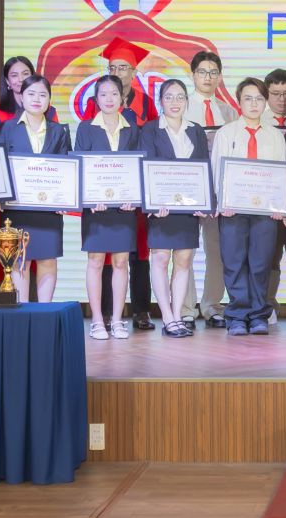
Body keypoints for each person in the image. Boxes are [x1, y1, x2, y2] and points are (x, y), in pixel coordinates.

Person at [211, 77, 286, 336]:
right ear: (239, 101)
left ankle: (258, 315)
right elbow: (216, 171)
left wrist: (280, 204)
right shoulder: (226, 133)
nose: (254, 103)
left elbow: (281, 172)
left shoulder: (275, 136)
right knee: (234, 262)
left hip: (265, 212)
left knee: (260, 263)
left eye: (259, 98)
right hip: (232, 210)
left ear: (265, 102)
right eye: (248, 98)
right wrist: (222, 201)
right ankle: (237, 315)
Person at [139, 79, 210, 338]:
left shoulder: (196, 130)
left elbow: (204, 167)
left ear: (187, 101)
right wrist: (151, 202)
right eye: (169, 97)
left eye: (180, 97)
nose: (175, 102)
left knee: (184, 260)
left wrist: (205, 203)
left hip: (188, 208)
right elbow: (145, 166)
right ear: (160, 101)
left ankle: (178, 314)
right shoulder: (150, 130)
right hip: (161, 208)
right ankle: (167, 316)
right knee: (160, 259)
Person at [0, 75, 71, 302]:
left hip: (49, 209)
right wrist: (1, 196)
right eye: (31, 94)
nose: (37, 99)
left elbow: (66, 169)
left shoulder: (59, 131)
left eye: (43, 95)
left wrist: (65, 199)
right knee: (20, 260)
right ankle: (23, 312)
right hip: (17, 208)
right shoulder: (7, 128)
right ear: (21, 97)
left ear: (49, 100)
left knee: (48, 259)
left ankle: (45, 312)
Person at [77, 74, 141, 339]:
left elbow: (138, 168)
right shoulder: (85, 128)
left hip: (124, 208)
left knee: (121, 262)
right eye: (103, 94)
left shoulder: (132, 128)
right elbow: (80, 166)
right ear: (96, 98)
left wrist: (134, 197)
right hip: (96, 208)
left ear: (122, 98)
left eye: (114, 93)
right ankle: (96, 321)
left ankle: (116, 320)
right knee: (95, 261)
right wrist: (90, 199)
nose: (109, 99)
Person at [184, 50, 235, 327]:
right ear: (193, 75)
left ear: (220, 77)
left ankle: (212, 305)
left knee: (216, 250)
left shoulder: (228, 111)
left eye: (213, 72)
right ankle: (185, 308)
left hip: (217, 190)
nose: (208, 77)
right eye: (202, 72)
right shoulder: (180, 106)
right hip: (188, 190)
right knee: (185, 251)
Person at [261, 67, 286, 310]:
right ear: (267, 94)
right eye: (276, 94)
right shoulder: (258, 121)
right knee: (270, 257)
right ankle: (268, 305)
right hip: (269, 202)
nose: (282, 99)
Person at [0, 55, 56, 141]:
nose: (21, 79)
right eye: (14, 75)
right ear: (7, 81)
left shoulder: (49, 111)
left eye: (25, 74)